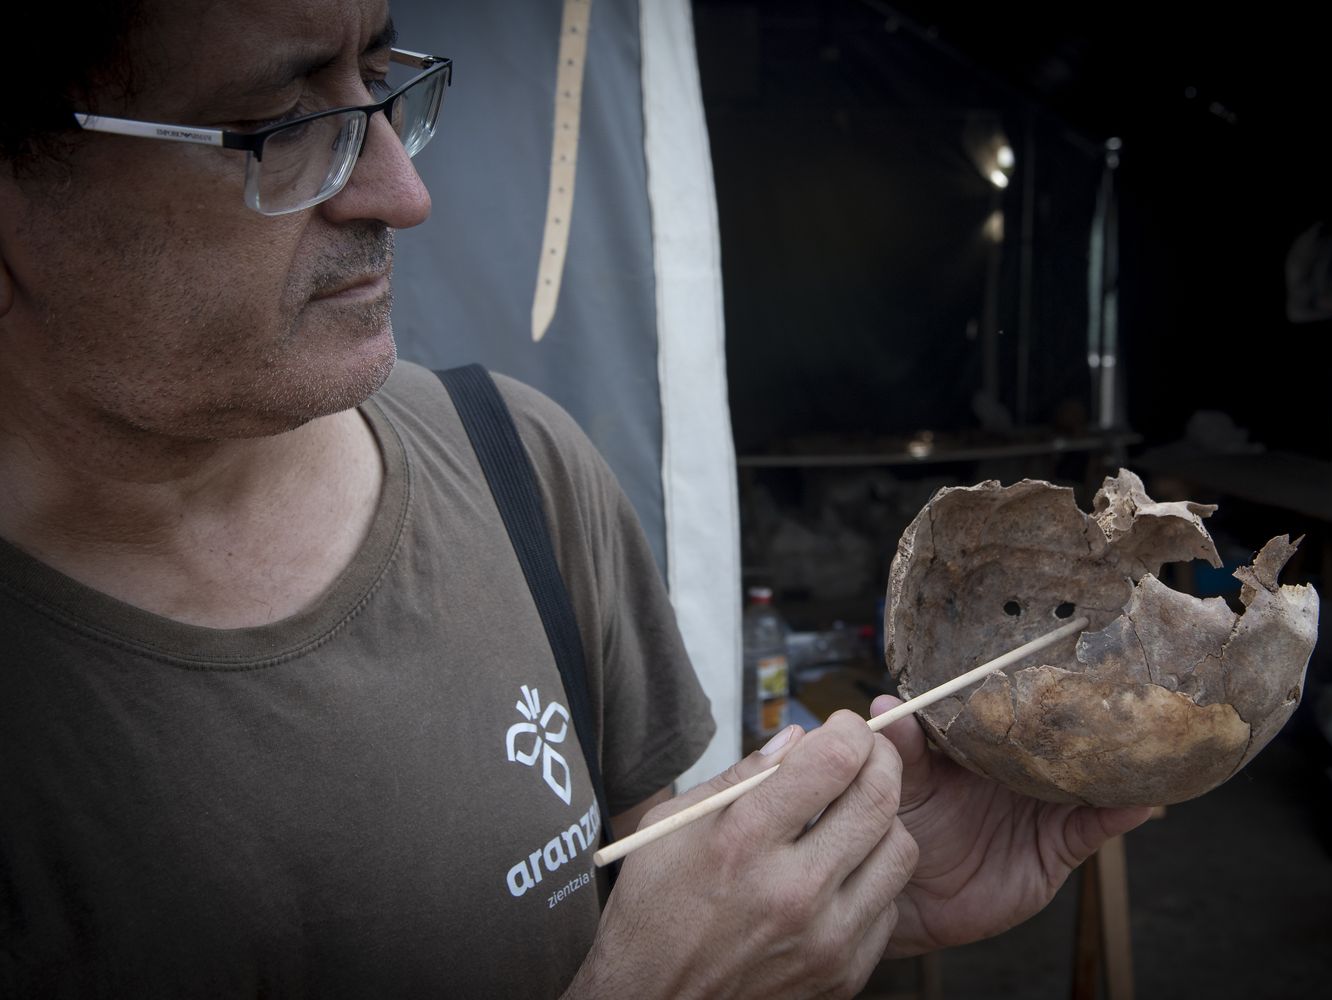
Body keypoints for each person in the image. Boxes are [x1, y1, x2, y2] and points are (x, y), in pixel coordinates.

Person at [0, 2, 1151, 996]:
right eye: (288, 126)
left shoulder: (515, 462)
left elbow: (614, 867)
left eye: (382, 87)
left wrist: (841, 894)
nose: (405, 194)